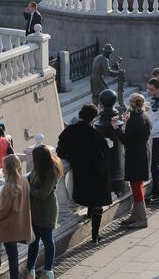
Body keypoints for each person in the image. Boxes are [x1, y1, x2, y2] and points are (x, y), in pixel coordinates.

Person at [56, 104, 112, 244]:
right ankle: (95, 235)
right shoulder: (96, 133)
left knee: (86, 195)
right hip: (97, 171)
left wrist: (73, 157)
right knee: (97, 202)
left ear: (80, 115)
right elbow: (106, 152)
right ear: (93, 118)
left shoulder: (70, 131)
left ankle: (88, 214)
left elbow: (60, 151)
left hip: (81, 171)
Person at [0, 154, 33, 275]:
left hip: (8, 225)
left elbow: (5, 210)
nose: (2, 169)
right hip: (19, 223)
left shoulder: (9, 186)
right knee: (13, 255)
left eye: (3, 167)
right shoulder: (24, 181)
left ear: (8, 168)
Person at [112, 93, 152, 229]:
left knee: (136, 186)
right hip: (143, 154)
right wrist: (129, 121)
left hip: (135, 156)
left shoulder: (134, 120)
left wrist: (116, 128)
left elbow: (126, 141)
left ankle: (142, 218)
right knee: (138, 185)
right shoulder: (144, 116)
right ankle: (135, 215)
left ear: (132, 104)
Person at [25, 145, 63, 279]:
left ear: (40, 159)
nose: (32, 161)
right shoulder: (38, 167)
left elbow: (43, 194)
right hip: (35, 211)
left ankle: (48, 271)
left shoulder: (52, 171)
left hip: (47, 211)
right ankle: (30, 270)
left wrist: (30, 189)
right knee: (33, 242)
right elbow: (29, 179)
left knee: (48, 241)